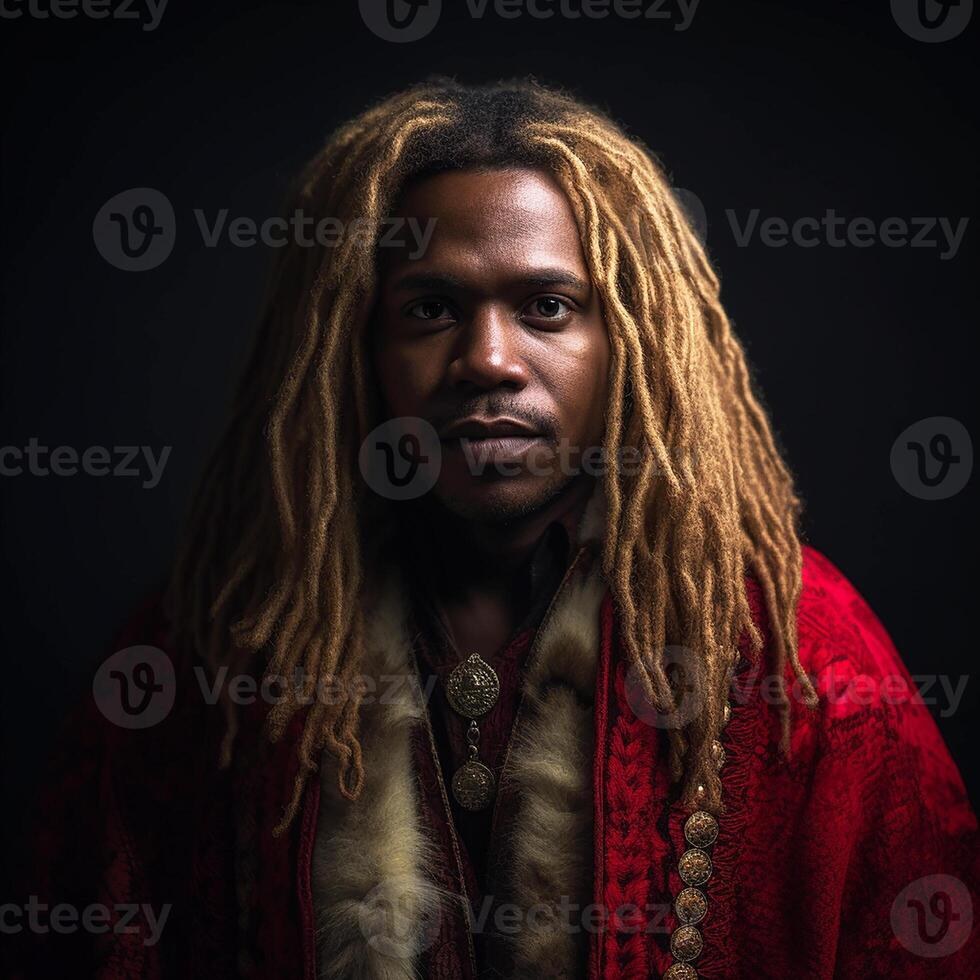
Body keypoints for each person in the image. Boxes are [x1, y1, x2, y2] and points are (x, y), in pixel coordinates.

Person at [17, 78, 978, 979]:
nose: (487, 361)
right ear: (355, 348)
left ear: (630, 345)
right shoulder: (209, 650)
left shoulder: (802, 653)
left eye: (547, 308)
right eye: (431, 308)